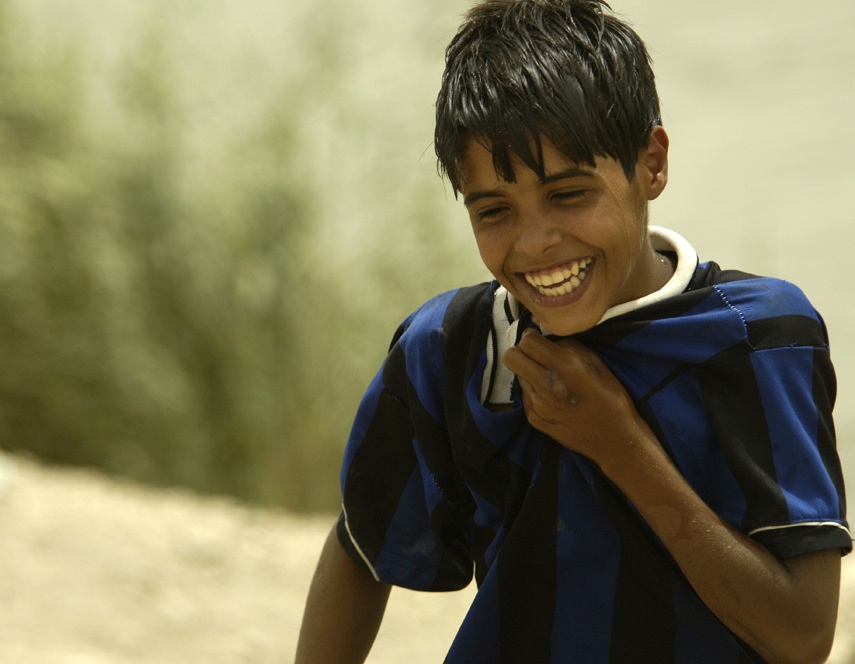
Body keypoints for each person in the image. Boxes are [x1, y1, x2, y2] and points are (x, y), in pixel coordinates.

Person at [295, 1, 852, 662]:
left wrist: (620, 446)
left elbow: (803, 636)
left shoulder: (755, 342)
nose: (536, 243)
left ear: (651, 163)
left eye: (568, 195)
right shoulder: (450, 349)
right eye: (494, 210)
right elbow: (363, 547)